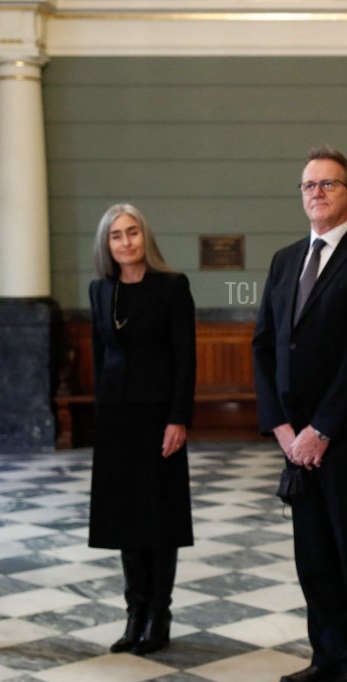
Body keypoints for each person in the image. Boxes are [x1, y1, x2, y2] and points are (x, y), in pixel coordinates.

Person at [252, 146, 347, 682]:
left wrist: (322, 428)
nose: (316, 192)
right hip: (296, 440)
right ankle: (327, 654)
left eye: (329, 184)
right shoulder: (285, 259)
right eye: (309, 185)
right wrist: (283, 428)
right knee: (312, 553)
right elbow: (265, 344)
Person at [88, 203, 196, 656]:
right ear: (107, 245)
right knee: (125, 520)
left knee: (158, 518)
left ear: (144, 238)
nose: (126, 242)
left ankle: (159, 615)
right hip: (116, 418)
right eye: (116, 236)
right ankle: (134, 613)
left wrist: (179, 417)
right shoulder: (100, 291)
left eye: (132, 233)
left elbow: (185, 358)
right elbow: (99, 355)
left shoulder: (171, 287)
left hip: (158, 416)